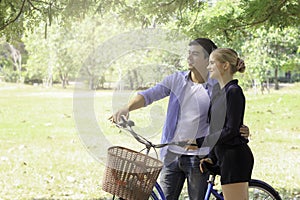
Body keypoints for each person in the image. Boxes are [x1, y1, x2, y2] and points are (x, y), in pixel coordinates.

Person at [109, 39, 249, 200]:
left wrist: (241, 128)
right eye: (188, 53)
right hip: (171, 155)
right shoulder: (176, 80)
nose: (189, 58)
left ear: (208, 59)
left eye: (195, 54)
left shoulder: (218, 85)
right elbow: (149, 95)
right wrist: (127, 108)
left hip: (199, 157)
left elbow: (229, 116)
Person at [196, 48, 254, 200]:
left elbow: (230, 131)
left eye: (212, 63)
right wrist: (210, 156)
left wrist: (200, 142)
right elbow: (216, 128)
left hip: (234, 158)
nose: (209, 67)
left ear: (225, 65)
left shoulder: (234, 91)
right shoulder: (217, 91)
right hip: (223, 157)